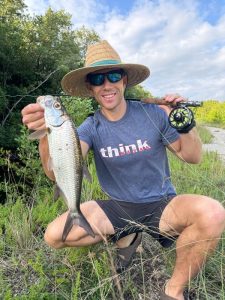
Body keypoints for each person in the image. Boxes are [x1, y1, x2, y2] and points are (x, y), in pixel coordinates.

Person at [21, 40, 225, 300]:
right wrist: (44, 134)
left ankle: (173, 290)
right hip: (116, 207)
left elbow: (193, 157)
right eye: (97, 78)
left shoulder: (153, 113)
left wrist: (185, 123)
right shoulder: (88, 127)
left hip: (162, 205)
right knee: (54, 236)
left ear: (125, 80)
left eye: (114, 75)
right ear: (90, 87)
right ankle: (128, 235)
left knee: (213, 213)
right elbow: (55, 173)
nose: (106, 84)